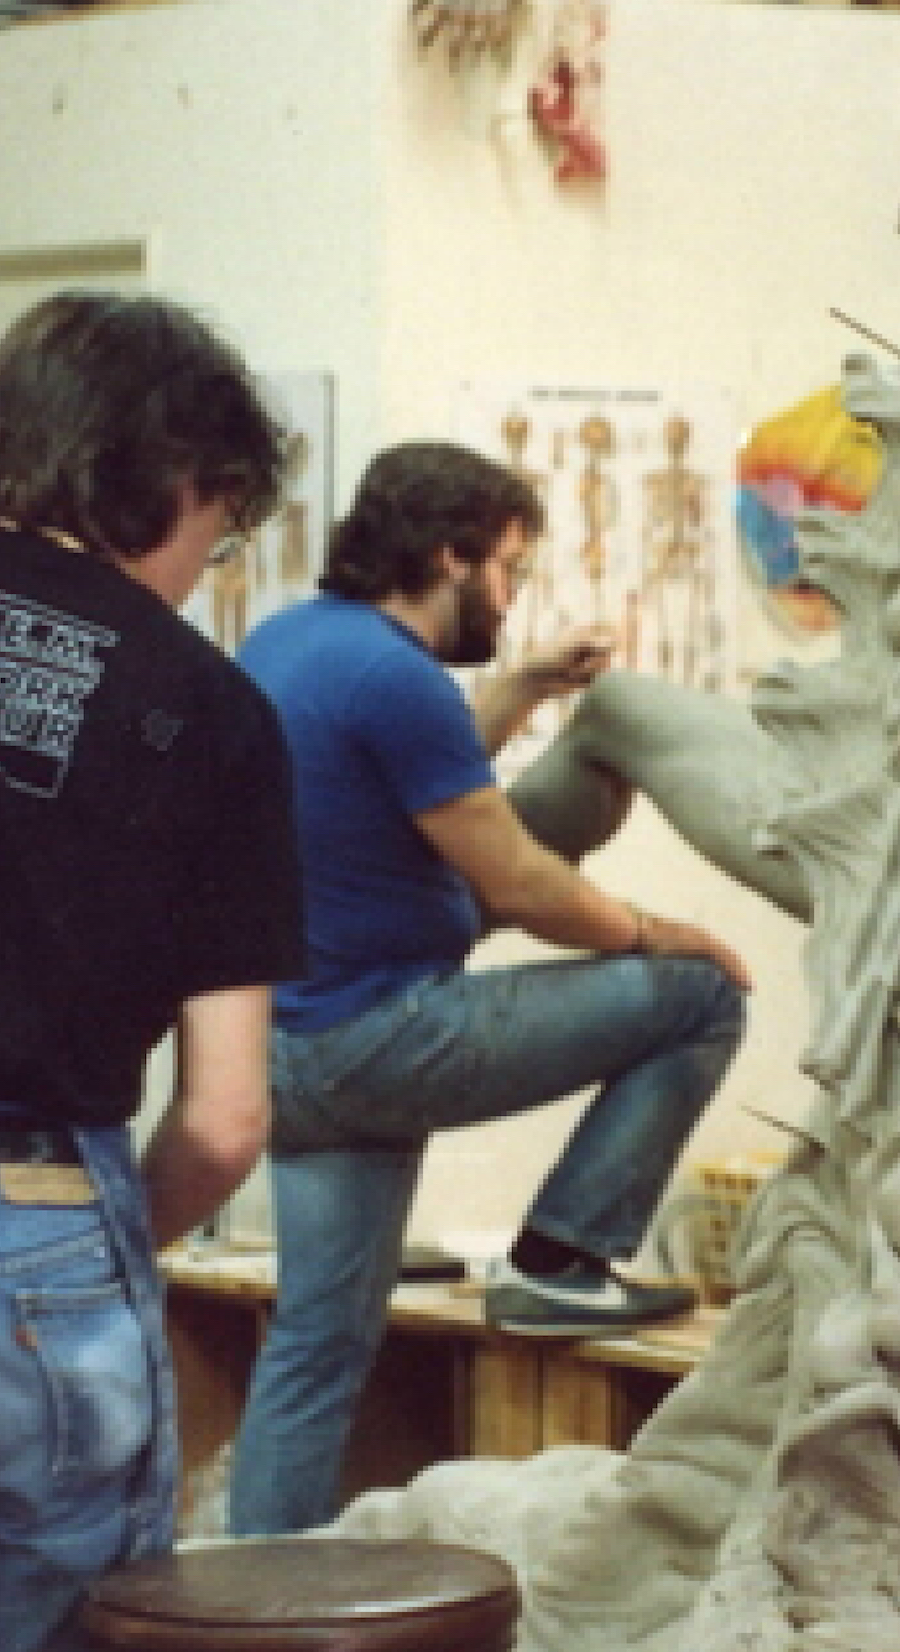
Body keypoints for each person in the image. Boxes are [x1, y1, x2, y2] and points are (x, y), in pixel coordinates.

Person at [226, 441, 751, 1539]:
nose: (511, 598)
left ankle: (257, 1593)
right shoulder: (397, 678)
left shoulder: (290, 640)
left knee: (318, 1347)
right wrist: (669, 933)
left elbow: (416, 766)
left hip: (282, 1056)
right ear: (448, 556)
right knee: (700, 996)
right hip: (378, 1036)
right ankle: (563, 1258)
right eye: (507, 569)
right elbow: (518, 881)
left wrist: (530, 686)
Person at [0, 292, 302, 1652]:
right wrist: (96, 1240)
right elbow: (225, 1117)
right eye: (223, 521)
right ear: (171, 475)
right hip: (44, 1228)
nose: (209, 563)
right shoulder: (212, 711)